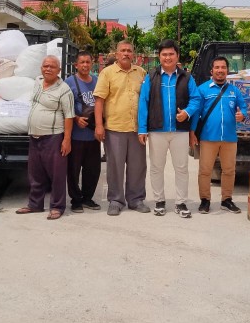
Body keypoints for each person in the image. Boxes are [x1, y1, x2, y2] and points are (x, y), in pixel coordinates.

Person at [137, 40, 199, 217]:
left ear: (177, 56)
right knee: (157, 167)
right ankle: (159, 201)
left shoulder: (187, 77)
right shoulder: (151, 76)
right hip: (157, 130)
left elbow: (196, 99)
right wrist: (142, 129)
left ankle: (181, 203)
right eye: (164, 54)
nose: (168, 57)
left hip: (180, 130)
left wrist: (186, 112)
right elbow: (144, 103)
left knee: (181, 168)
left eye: (171, 54)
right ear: (159, 56)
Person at [93, 41, 149, 216]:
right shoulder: (107, 73)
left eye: (129, 51)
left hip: (136, 129)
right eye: (122, 51)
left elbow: (147, 100)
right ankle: (116, 200)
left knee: (138, 167)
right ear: (116, 54)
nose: (126, 53)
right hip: (115, 128)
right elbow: (99, 100)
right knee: (115, 167)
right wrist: (99, 125)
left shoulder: (141, 73)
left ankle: (136, 199)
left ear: (134, 54)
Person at [16, 55, 75, 220]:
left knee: (56, 174)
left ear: (59, 70)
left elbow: (69, 116)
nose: (48, 69)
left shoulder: (64, 90)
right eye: (45, 66)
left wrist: (67, 139)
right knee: (35, 173)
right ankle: (35, 204)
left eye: (52, 67)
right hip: (35, 137)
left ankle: (57, 207)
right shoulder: (37, 81)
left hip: (54, 137)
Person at [189, 56, 247, 215]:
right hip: (208, 137)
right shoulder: (203, 89)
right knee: (205, 170)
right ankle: (205, 201)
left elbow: (243, 108)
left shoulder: (234, 91)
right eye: (217, 67)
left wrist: (242, 115)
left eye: (223, 67)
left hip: (229, 138)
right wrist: (192, 133)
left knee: (229, 170)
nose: (220, 70)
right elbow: (196, 114)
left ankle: (226, 200)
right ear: (212, 70)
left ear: (227, 70)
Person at [64, 51, 101, 213]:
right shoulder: (69, 82)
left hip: (93, 135)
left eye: (88, 62)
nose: (85, 65)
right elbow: (64, 107)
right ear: (76, 65)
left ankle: (87, 198)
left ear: (92, 64)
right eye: (82, 62)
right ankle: (75, 200)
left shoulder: (98, 81)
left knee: (93, 169)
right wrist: (76, 118)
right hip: (76, 135)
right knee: (73, 169)